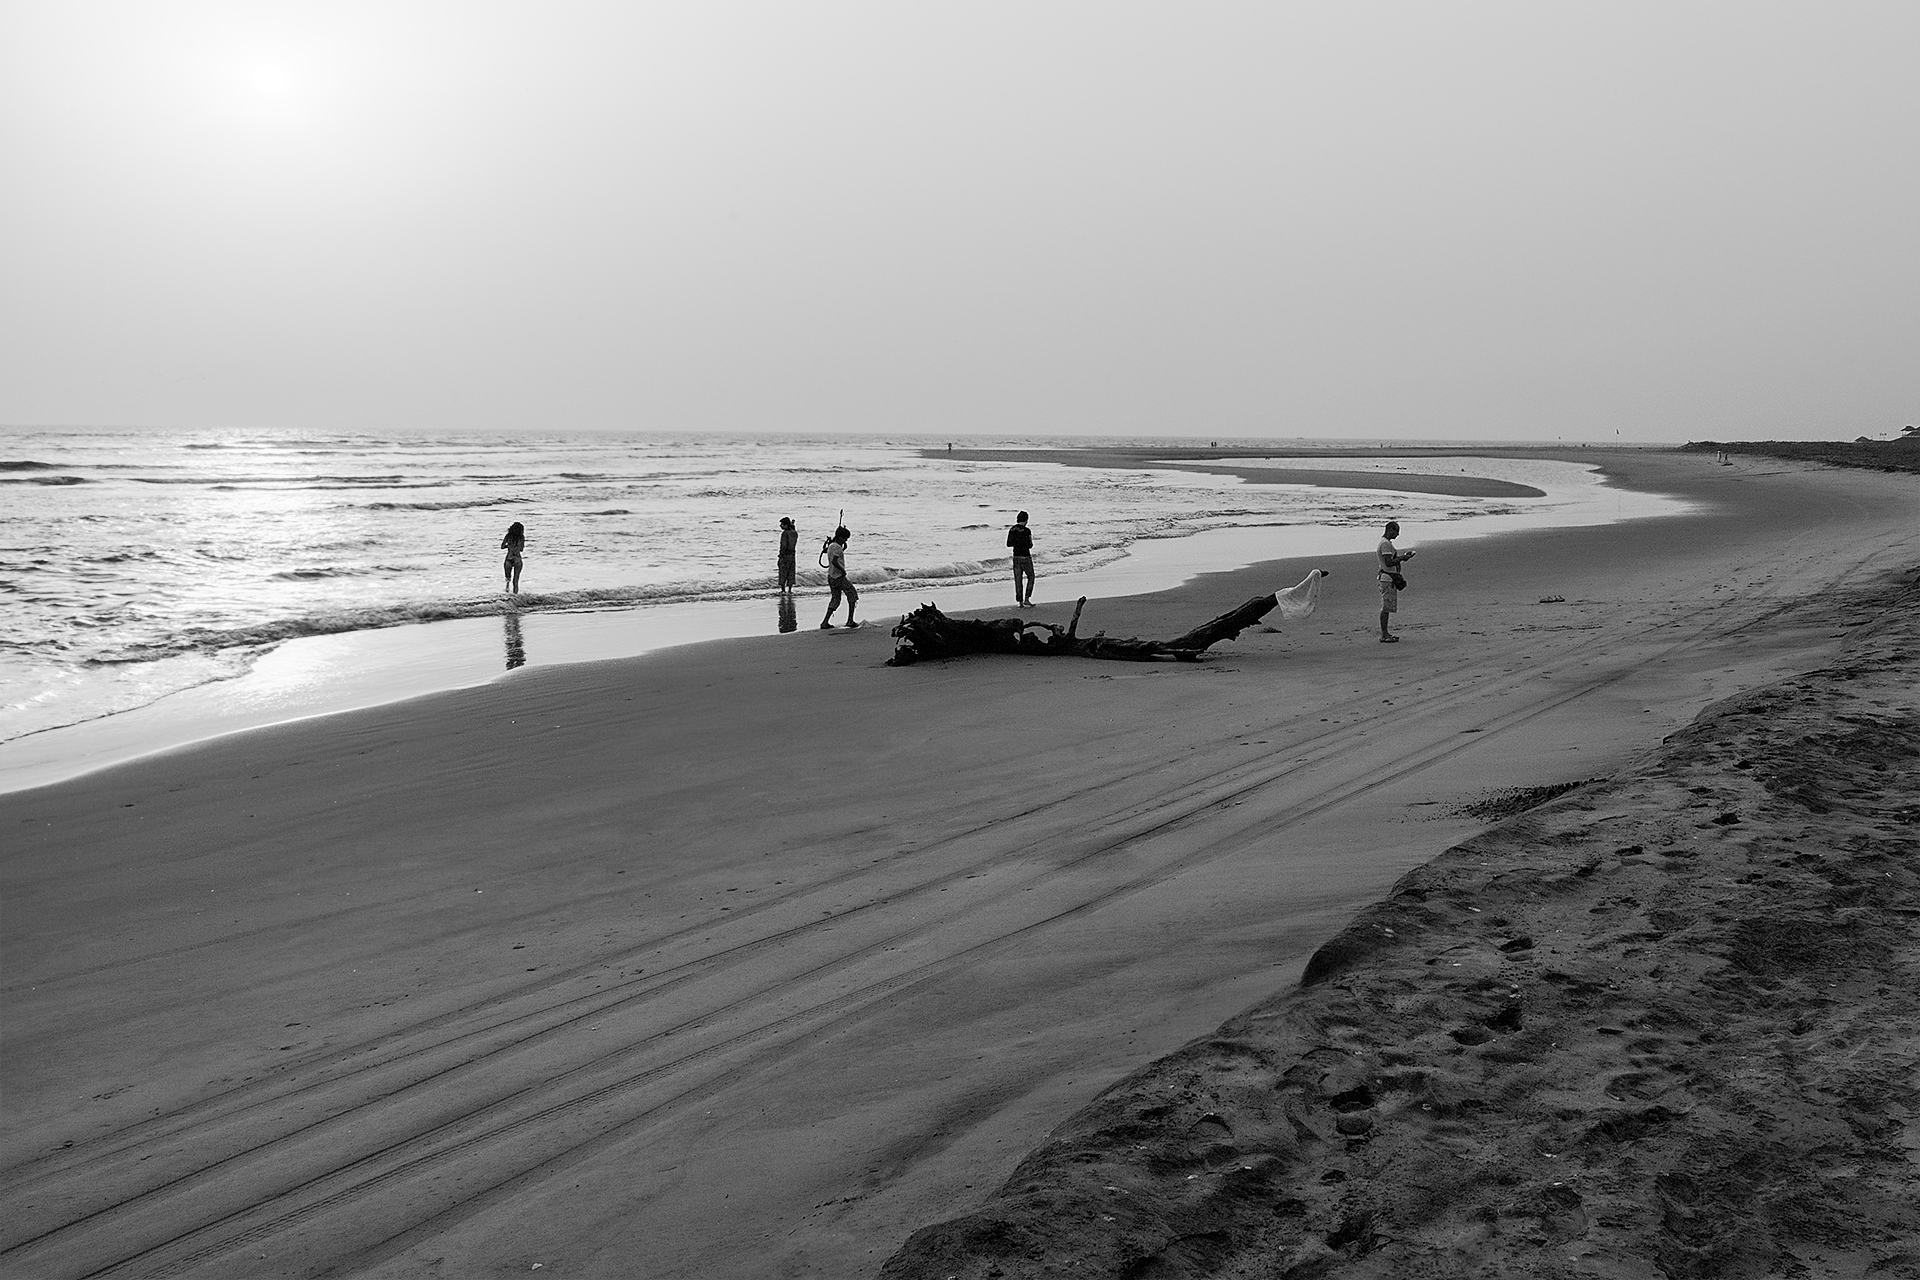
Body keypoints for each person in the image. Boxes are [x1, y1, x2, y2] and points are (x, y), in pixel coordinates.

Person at [1377, 520, 1414, 642]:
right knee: (1386, 607)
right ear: (1390, 530)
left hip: (1388, 577)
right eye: (1396, 531)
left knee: (1387, 606)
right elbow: (1388, 562)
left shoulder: (1385, 543)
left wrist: (1402, 558)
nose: (1397, 535)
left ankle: (1385, 633)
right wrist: (1402, 558)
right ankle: (1384, 634)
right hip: (1387, 578)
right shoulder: (1385, 544)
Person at [819, 526, 859, 628]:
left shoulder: (832, 546)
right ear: (840, 537)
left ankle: (825, 622)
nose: (845, 540)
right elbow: (835, 561)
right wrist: (842, 570)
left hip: (831, 576)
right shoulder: (837, 547)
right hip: (839, 577)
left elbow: (833, 553)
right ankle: (850, 621)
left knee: (835, 599)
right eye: (845, 538)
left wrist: (842, 546)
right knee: (852, 595)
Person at [1006, 511, 1035, 607]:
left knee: (1018, 580)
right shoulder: (1027, 531)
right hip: (1025, 556)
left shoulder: (1012, 529)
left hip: (1016, 556)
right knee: (1031, 577)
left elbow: (1008, 544)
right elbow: (1030, 545)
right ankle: (1027, 598)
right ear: (1026, 520)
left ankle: (1020, 601)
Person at [500, 521, 525, 594]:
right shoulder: (521, 537)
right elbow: (521, 549)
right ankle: (515, 595)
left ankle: (507, 591)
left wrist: (509, 546)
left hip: (509, 558)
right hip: (517, 558)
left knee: (508, 578)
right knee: (516, 579)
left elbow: (502, 546)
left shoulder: (508, 536)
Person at [777, 517, 798, 593]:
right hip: (792, 555)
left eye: (782, 524)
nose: (780, 526)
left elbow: (783, 545)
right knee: (791, 572)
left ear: (785, 525)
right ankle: (789, 589)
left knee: (783, 572)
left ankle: (783, 590)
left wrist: (781, 556)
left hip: (785, 555)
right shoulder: (794, 533)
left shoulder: (785, 533)